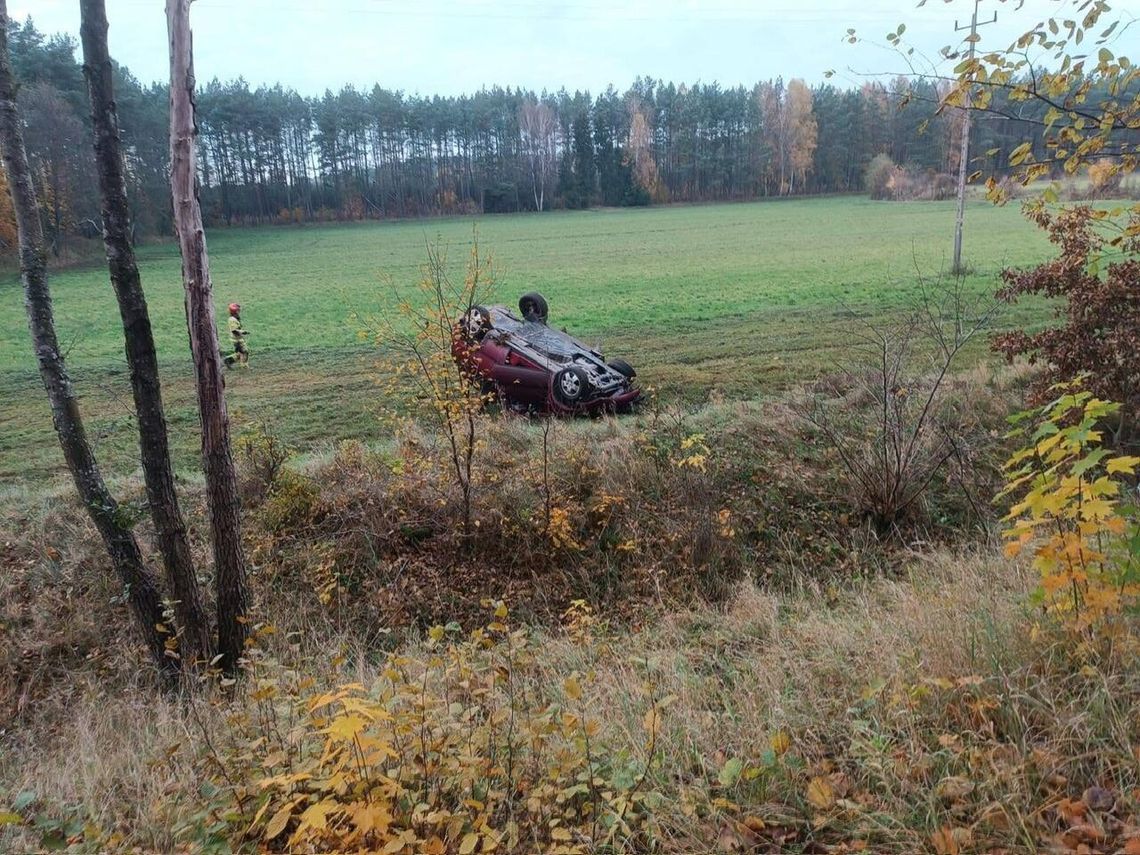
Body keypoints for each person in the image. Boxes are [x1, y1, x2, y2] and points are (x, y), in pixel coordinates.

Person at [224, 302, 249, 368]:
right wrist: (243, 332)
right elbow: (234, 330)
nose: (239, 311)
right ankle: (244, 366)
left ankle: (229, 360)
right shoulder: (232, 320)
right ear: (235, 311)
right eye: (238, 310)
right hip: (237, 339)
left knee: (240, 352)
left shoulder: (235, 318)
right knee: (244, 352)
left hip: (238, 338)